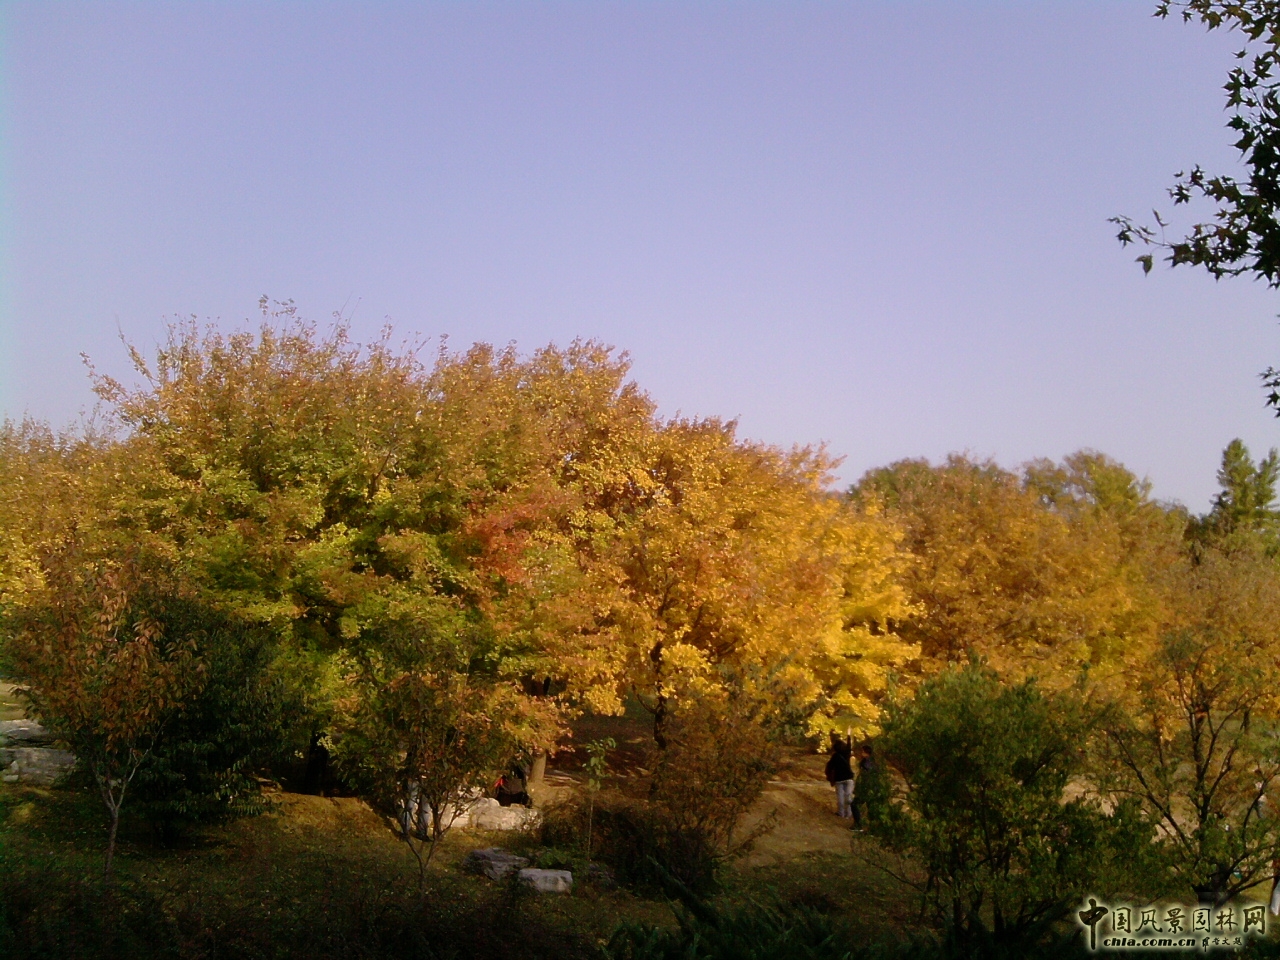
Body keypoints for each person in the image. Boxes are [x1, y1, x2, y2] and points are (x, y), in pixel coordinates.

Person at [851, 743, 888, 830]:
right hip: (871, 789)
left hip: (867, 789)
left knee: (855, 805)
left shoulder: (867, 763)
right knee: (870, 807)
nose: (860, 753)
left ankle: (859, 825)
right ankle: (872, 828)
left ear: (865, 752)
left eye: (862, 751)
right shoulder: (873, 762)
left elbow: (867, 776)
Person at [824, 732, 855, 818]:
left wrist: (829, 776)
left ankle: (841, 813)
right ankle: (849, 814)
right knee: (848, 796)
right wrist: (848, 735)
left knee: (840, 797)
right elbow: (849, 745)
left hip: (839, 779)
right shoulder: (847, 754)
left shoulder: (835, 756)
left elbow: (830, 766)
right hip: (849, 777)